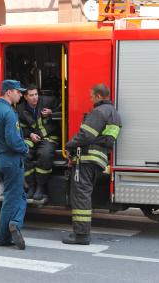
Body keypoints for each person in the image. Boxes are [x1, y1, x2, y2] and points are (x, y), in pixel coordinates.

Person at [62, 84, 122, 245]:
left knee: (81, 195)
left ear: (99, 96)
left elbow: (86, 135)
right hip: (98, 160)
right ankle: (82, 232)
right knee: (85, 194)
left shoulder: (99, 112)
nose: (90, 99)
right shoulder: (115, 115)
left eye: (91, 96)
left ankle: (81, 235)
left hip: (86, 158)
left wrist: (69, 145)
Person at [0, 79, 29, 250]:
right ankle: (13, 226)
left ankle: (6, 234)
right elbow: (12, 139)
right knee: (12, 197)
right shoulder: (9, 113)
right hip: (11, 159)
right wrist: (25, 149)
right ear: (8, 92)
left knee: (16, 195)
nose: (20, 94)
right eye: (18, 91)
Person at [17, 84, 59, 201]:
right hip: (31, 138)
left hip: (48, 137)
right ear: (25, 97)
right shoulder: (20, 109)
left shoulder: (48, 101)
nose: (35, 97)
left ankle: (40, 187)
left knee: (45, 154)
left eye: (36, 94)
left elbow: (65, 109)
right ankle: (31, 186)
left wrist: (52, 112)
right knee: (23, 153)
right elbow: (20, 128)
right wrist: (29, 134)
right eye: (31, 95)